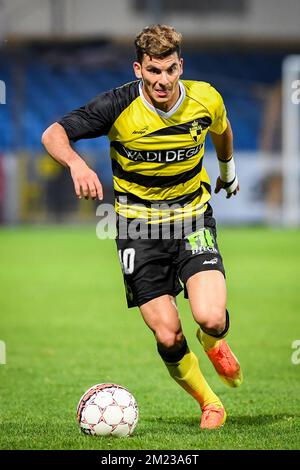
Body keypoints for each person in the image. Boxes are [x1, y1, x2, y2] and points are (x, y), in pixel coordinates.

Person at [42, 24, 243, 430]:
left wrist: (228, 170)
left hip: (191, 219)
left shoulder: (206, 98)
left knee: (210, 317)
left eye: (170, 70)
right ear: (139, 69)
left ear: (180, 66)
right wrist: (77, 163)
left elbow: (221, 129)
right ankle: (210, 402)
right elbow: (54, 133)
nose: (163, 80)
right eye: (153, 71)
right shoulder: (117, 105)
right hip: (138, 229)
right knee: (168, 335)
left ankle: (214, 341)